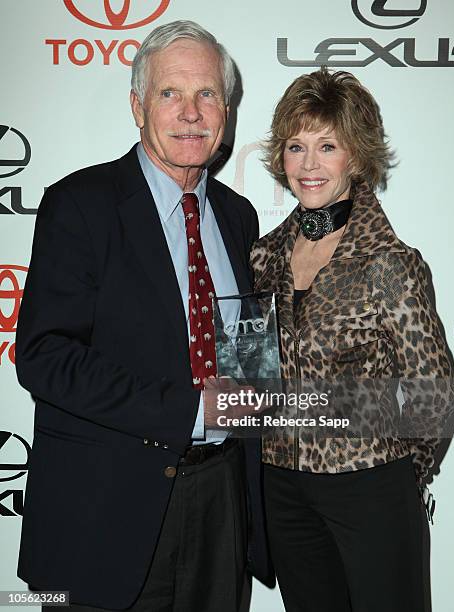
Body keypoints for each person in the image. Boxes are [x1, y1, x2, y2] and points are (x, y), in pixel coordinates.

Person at [15, 20, 270, 612]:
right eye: (169, 93)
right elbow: (44, 355)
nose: (191, 112)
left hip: (222, 504)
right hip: (104, 513)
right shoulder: (80, 205)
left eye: (207, 94)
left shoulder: (239, 216)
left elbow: (247, 350)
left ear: (226, 111)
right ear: (137, 105)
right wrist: (189, 410)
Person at [250, 68, 454, 612]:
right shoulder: (262, 258)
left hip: (370, 486)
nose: (309, 165)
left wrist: (392, 477)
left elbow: (434, 394)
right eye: (296, 147)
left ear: (356, 157)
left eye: (327, 146)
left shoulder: (390, 263)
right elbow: (251, 376)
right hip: (282, 489)